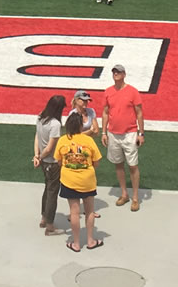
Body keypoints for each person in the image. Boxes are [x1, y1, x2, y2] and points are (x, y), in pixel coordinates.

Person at [54, 111, 103, 251]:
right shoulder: (89, 141)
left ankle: (76, 243)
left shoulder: (63, 140)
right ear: (81, 126)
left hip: (69, 180)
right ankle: (90, 241)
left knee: (74, 212)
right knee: (89, 211)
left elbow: (58, 161)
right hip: (87, 180)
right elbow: (97, 162)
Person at [101, 64, 145, 210]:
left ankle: (135, 197)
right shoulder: (108, 92)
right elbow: (106, 112)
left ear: (124, 74)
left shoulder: (133, 92)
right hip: (113, 133)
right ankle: (124, 193)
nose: (116, 74)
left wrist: (141, 133)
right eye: (114, 72)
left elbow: (139, 113)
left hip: (130, 133)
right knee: (118, 164)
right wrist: (104, 132)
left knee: (133, 165)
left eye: (118, 72)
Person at [33, 95, 67, 234]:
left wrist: (36, 156)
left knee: (47, 189)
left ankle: (43, 217)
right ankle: (50, 226)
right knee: (52, 192)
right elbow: (50, 148)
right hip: (52, 163)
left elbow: (37, 137)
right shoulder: (55, 124)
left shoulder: (41, 117)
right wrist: (41, 157)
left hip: (43, 162)